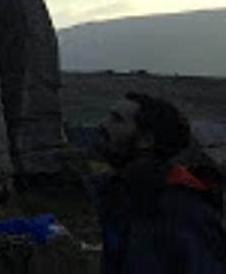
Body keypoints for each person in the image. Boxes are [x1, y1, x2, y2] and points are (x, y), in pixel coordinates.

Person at [89, 92, 225, 272]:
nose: (104, 125)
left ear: (146, 140)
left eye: (117, 119)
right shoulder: (119, 190)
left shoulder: (184, 209)